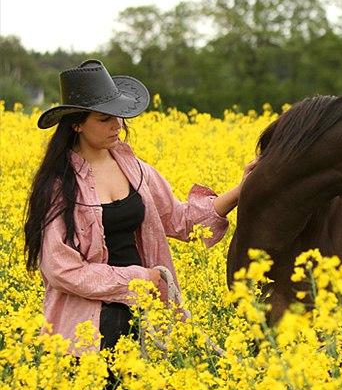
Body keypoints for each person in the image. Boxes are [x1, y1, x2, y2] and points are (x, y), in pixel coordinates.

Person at [23, 59, 255, 361]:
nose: (117, 126)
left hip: (144, 319)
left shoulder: (136, 170)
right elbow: (61, 269)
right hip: (85, 333)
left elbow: (183, 222)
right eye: (104, 119)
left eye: (118, 117)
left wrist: (244, 188)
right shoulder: (58, 186)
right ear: (77, 124)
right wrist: (138, 279)